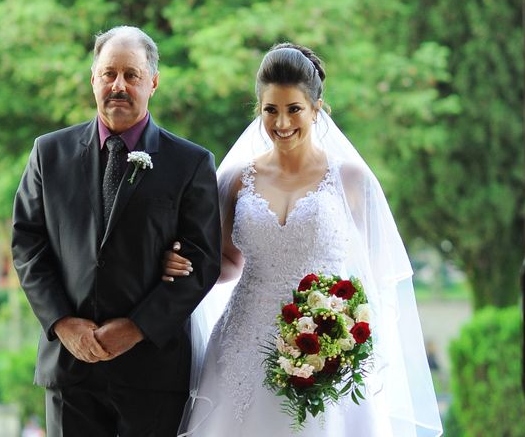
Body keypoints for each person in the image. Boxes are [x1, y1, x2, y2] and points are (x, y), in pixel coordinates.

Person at [163, 43, 444, 436]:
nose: (281, 123)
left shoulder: (351, 181)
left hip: (324, 340)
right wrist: (184, 262)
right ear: (258, 110)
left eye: (294, 109)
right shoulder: (235, 180)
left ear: (317, 108)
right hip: (242, 342)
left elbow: (374, 278)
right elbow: (225, 262)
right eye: (270, 110)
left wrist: (344, 331)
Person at [11, 25, 221, 437]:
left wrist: (137, 327)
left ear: (153, 83)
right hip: (70, 370)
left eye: (132, 75)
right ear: (93, 79)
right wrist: (63, 323)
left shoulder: (191, 163)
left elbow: (203, 260)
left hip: (152, 373)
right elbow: (27, 243)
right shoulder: (47, 153)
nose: (118, 86)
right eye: (108, 74)